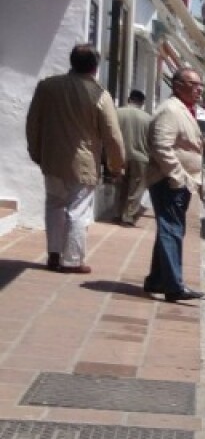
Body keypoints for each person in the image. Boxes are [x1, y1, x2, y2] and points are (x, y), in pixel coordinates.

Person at [24, 43, 126, 274]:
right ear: (95, 67)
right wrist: (116, 165)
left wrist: (36, 151)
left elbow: (33, 122)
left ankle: (53, 253)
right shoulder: (99, 94)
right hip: (83, 163)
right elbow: (112, 134)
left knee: (54, 204)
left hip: (51, 158)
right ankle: (71, 260)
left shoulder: (47, 86)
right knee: (78, 211)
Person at [144, 68, 205, 302]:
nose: (198, 89)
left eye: (200, 85)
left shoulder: (184, 110)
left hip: (180, 182)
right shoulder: (170, 110)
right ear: (178, 85)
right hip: (169, 181)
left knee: (168, 230)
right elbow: (161, 146)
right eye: (193, 84)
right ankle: (173, 284)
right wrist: (177, 176)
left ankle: (157, 279)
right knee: (172, 230)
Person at [115, 90, 150, 226]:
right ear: (142, 102)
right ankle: (128, 216)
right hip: (141, 157)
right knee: (136, 188)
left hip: (120, 155)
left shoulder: (118, 113)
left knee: (121, 186)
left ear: (129, 99)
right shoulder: (147, 118)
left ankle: (118, 213)